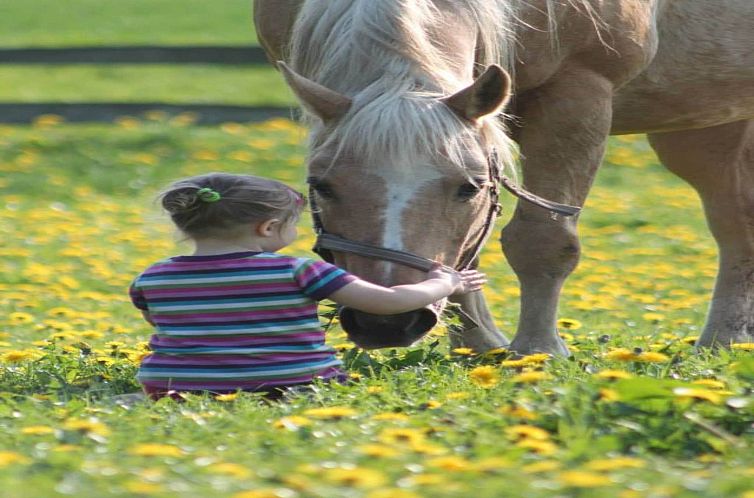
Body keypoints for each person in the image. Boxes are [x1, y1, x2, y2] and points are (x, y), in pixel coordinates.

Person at [129, 172, 486, 399]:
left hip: (175, 389)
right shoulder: (299, 271)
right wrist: (444, 284)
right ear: (268, 228)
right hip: (294, 388)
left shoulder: (153, 277)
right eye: (291, 224)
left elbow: (166, 325)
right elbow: (386, 301)